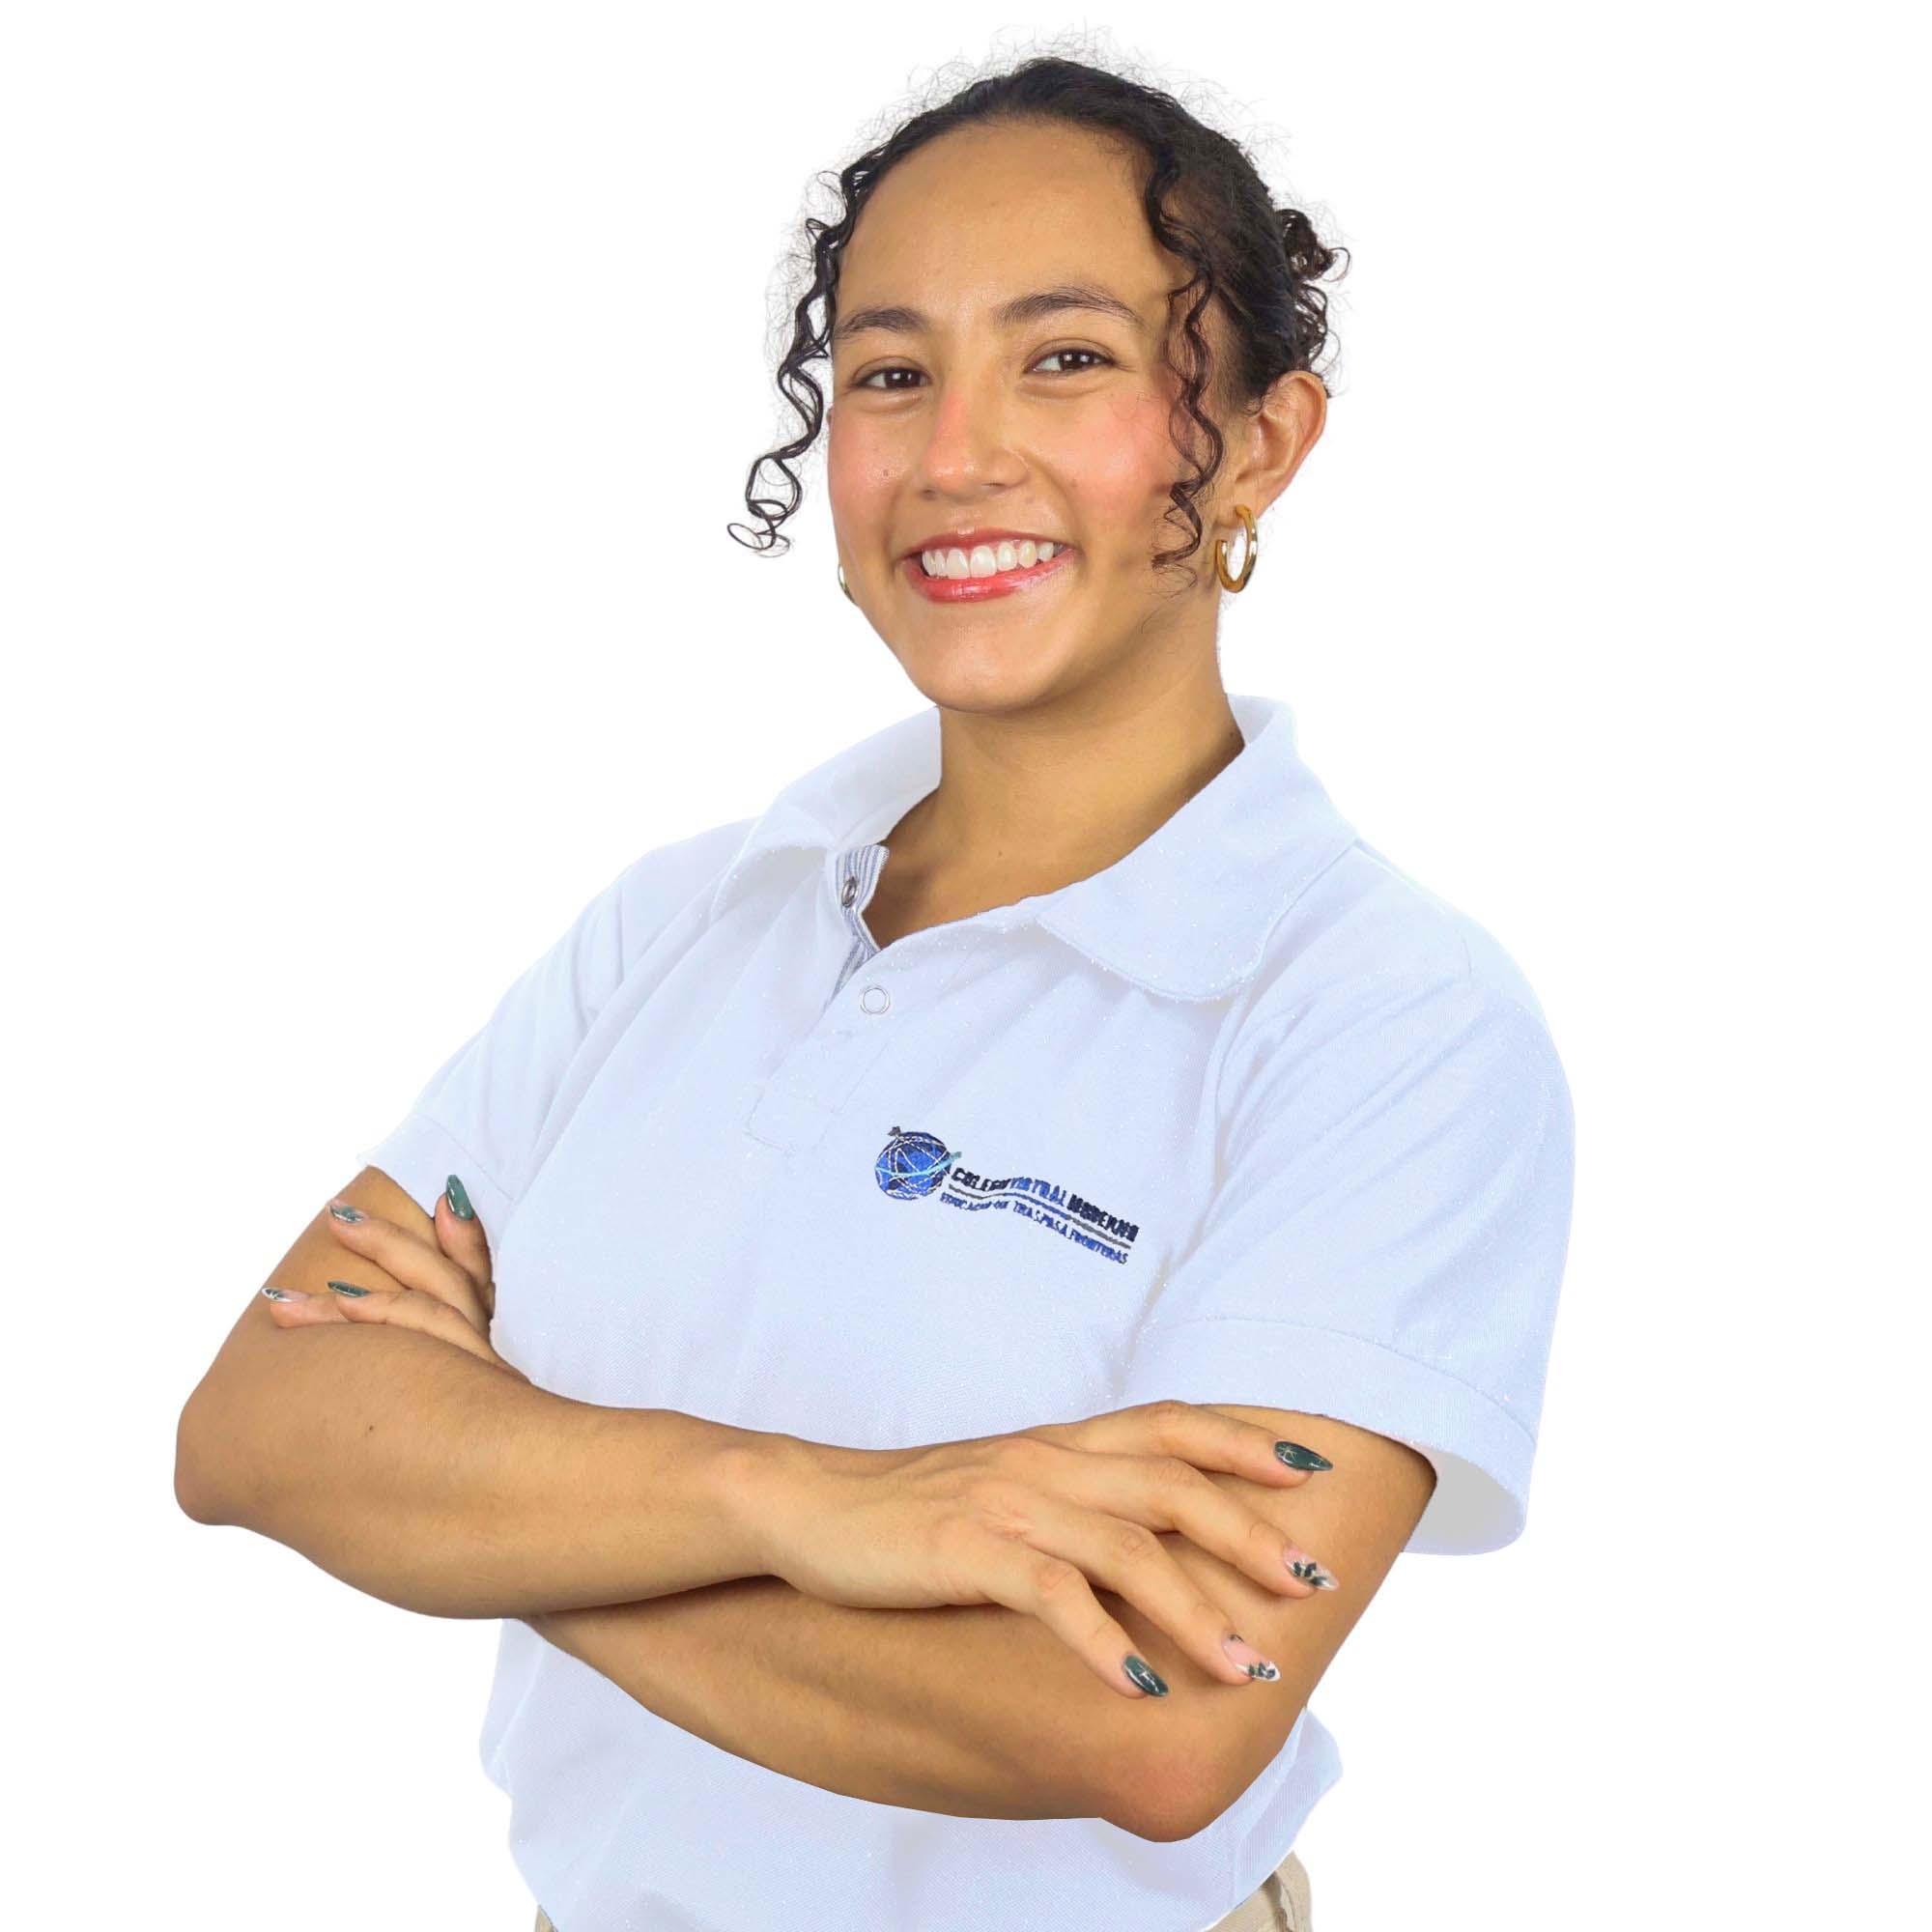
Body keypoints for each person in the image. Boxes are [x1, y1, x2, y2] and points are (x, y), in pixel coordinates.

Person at [176, 50, 1575, 1932]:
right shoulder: (681, 924)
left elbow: (1156, 1724)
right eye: (890, 372)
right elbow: (257, 1428)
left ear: (1259, 441)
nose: (954, 455)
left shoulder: (1384, 1020)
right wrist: (802, 1504)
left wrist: (488, 1513)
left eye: (1064, 357)